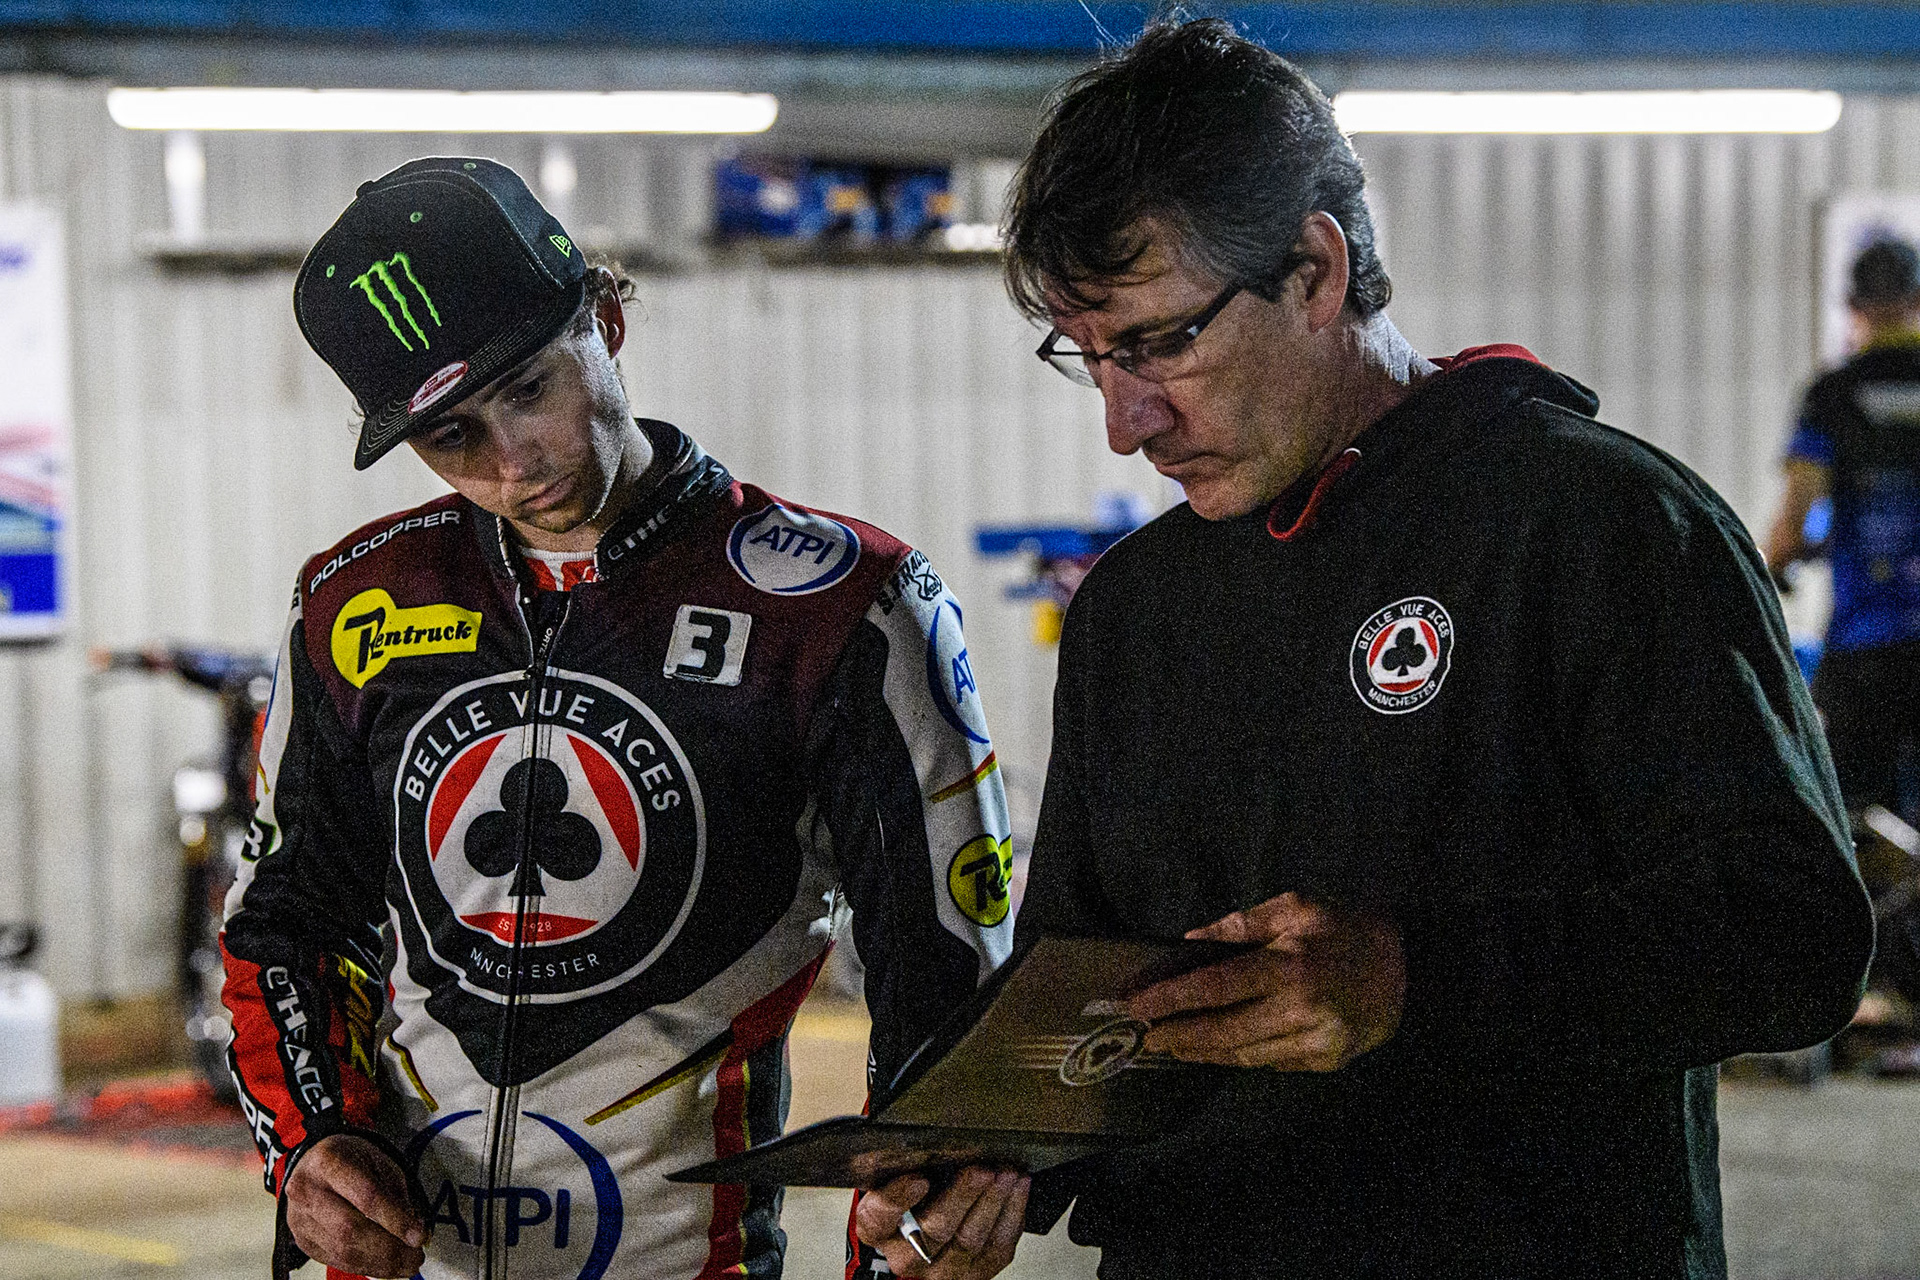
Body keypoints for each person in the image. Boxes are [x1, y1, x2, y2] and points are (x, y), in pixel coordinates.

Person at [854, 19, 1874, 1280]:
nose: (1127, 423)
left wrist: (1412, 978)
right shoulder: (1133, 606)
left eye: (1165, 341)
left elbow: (1793, 940)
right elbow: (1085, 984)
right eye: (1092, 357)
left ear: (1317, 271)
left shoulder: (1599, 526)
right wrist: (992, 1152)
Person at [219, 157, 1015, 1280]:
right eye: (453, 441)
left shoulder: (847, 604)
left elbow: (941, 974)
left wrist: (911, 1232)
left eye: (533, 388)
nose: (516, 462)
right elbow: (286, 921)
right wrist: (309, 1141)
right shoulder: (355, 602)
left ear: (605, 315)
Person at [1764, 236, 1920, 831]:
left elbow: (1796, 520)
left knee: (1861, 820)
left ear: (1853, 305)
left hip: (1866, 650)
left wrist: (1775, 566)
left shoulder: (1832, 396)